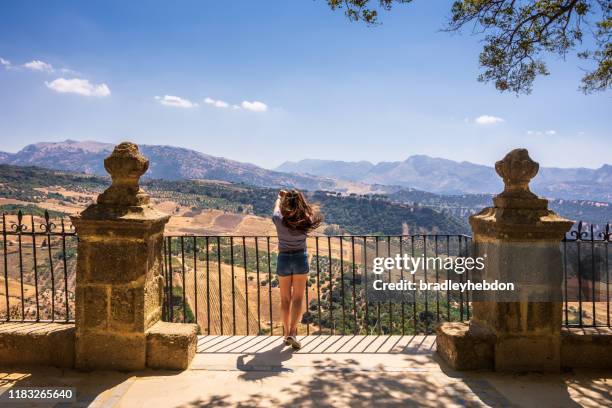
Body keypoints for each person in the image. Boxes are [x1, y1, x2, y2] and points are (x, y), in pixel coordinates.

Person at [272, 189, 322, 350]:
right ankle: (293, 333)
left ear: (287, 203)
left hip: (284, 258)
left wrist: (280, 198)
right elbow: (310, 213)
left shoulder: (278, 219)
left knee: (285, 299)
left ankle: (286, 333)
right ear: (301, 202)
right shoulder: (306, 220)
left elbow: (277, 209)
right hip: (300, 258)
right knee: (298, 298)